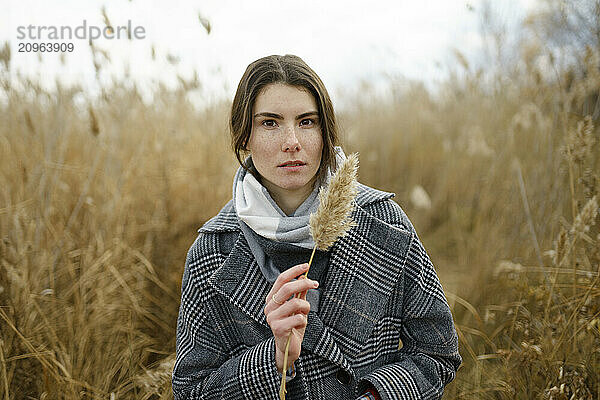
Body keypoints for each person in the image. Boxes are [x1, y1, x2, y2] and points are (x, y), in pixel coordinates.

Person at [172, 54, 461, 400]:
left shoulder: (385, 224)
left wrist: (375, 397)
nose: (291, 140)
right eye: (269, 123)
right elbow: (190, 390)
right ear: (244, 135)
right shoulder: (213, 252)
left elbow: (437, 353)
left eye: (306, 121)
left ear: (325, 132)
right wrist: (273, 359)